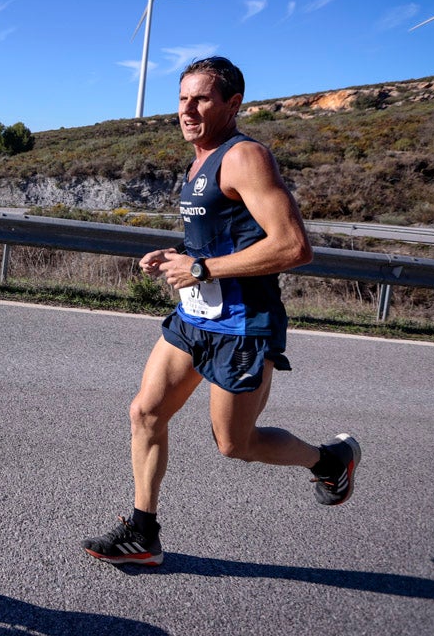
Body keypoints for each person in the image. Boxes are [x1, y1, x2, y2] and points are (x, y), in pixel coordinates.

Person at [81, 57, 359, 567]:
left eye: (201, 99)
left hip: (243, 327)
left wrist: (204, 269)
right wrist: (175, 258)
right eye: (182, 98)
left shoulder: (244, 157)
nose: (187, 109)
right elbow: (219, 239)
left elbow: (294, 246)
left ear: (233, 104)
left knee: (236, 444)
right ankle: (143, 532)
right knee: (145, 412)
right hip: (195, 320)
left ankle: (331, 460)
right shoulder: (199, 159)